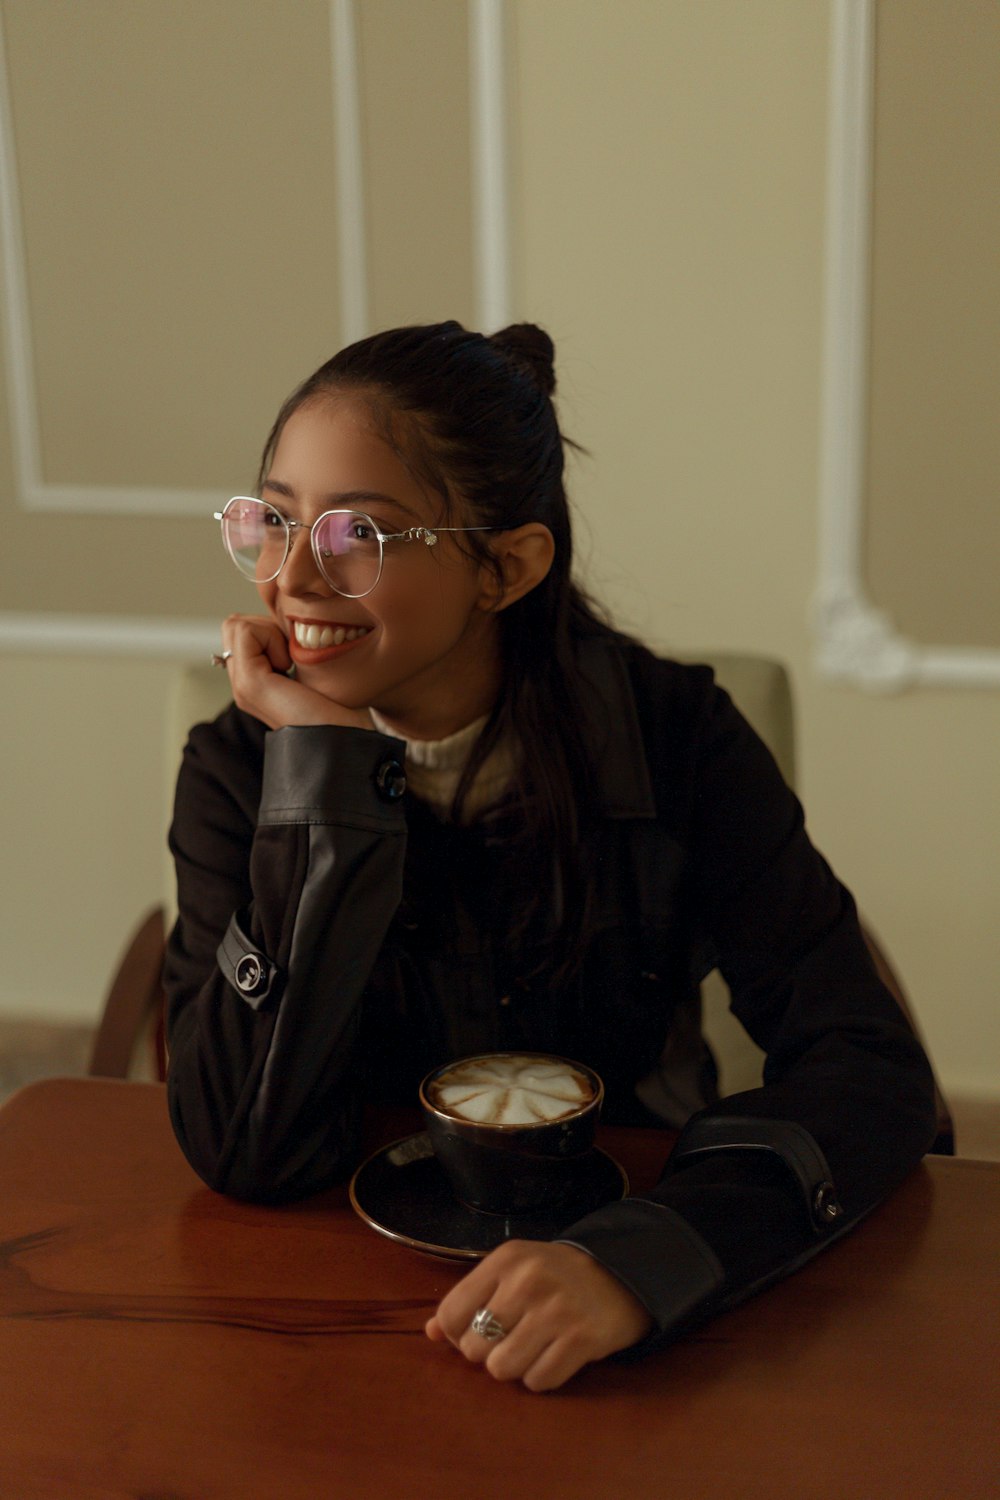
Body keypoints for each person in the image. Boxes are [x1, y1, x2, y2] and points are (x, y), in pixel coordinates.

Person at [164, 320, 937, 1393]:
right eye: (273, 522)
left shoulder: (678, 739)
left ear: (508, 566)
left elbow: (872, 1073)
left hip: (633, 1294)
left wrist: (644, 1258)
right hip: (338, 1307)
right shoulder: (241, 771)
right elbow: (244, 1150)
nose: (289, 578)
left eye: (356, 536)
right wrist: (326, 787)